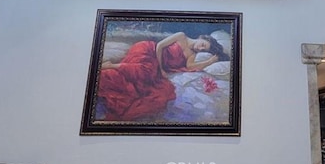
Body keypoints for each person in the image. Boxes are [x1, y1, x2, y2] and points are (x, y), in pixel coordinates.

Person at [96, 32, 229, 121]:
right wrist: (160, 69)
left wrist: (209, 61)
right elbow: (159, 46)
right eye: (203, 45)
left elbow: (190, 67)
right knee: (146, 71)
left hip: (153, 65)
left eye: (203, 50)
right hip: (148, 50)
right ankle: (111, 66)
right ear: (203, 38)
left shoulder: (191, 54)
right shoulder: (181, 36)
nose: (200, 48)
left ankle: (112, 68)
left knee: (156, 91)